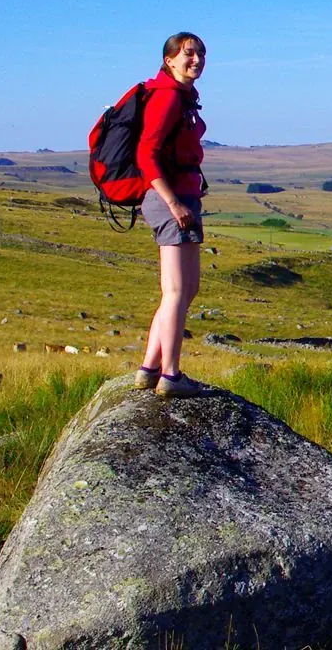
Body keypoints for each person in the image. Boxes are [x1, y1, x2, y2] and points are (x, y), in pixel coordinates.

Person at [132, 32, 208, 397]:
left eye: (200, 54)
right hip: (171, 200)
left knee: (184, 289)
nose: (196, 60)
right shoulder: (166, 98)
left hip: (183, 197)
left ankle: (150, 367)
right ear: (169, 60)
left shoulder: (180, 97)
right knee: (177, 290)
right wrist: (174, 203)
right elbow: (146, 155)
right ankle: (171, 375)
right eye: (188, 54)